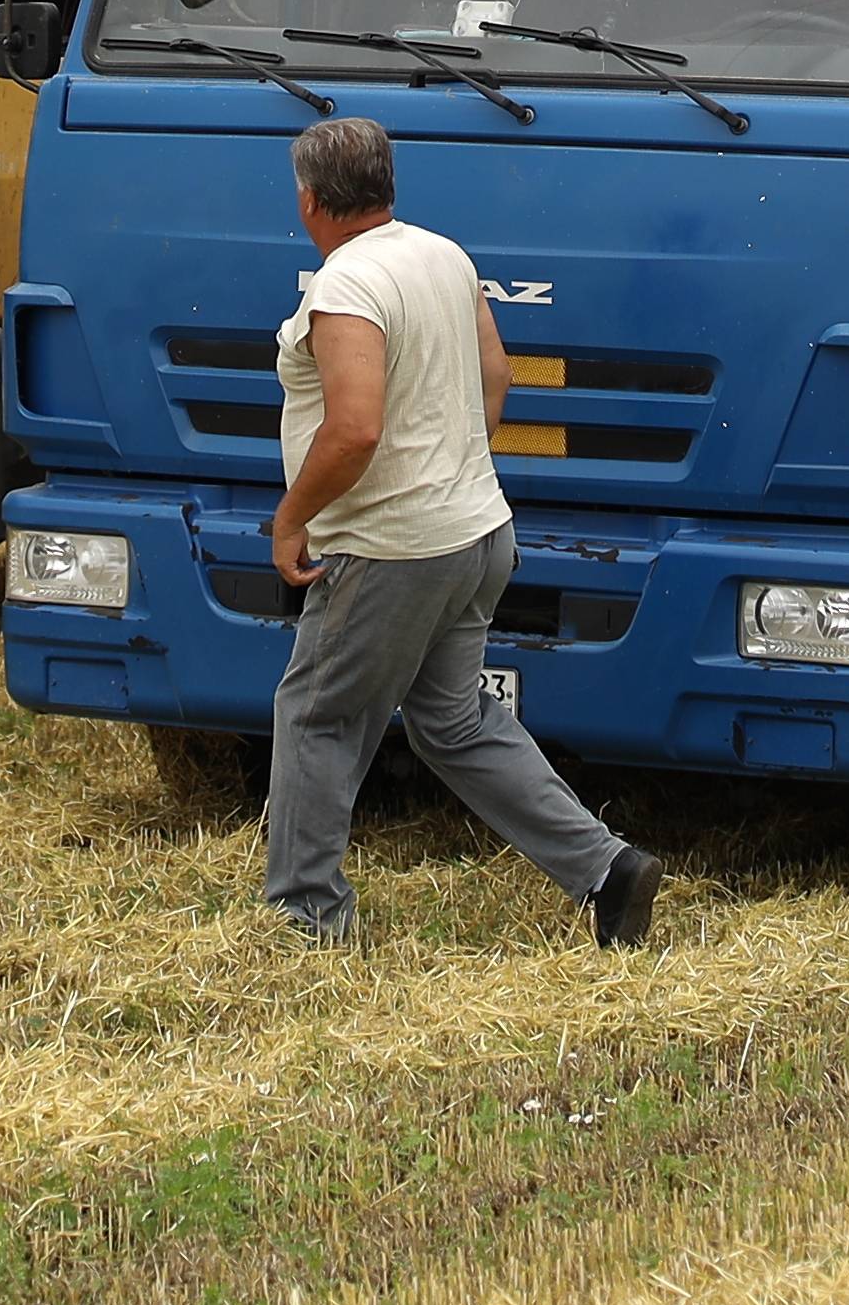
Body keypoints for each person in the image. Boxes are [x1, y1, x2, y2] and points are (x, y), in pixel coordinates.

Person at [262, 115, 661, 950]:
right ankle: (607, 867)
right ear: (387, 183)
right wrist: (456, 466)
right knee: (455, 722)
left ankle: (304, 917)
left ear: (308, 199)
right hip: (478, 532)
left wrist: (292, 517)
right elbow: (498, 373)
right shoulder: (445, 256)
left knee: (316, 715)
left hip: (388, 546)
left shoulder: (345, 287)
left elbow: (355, 430)